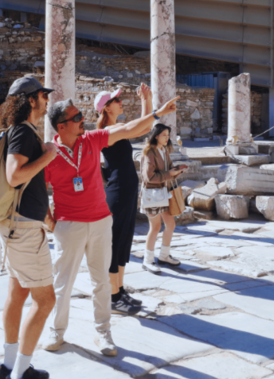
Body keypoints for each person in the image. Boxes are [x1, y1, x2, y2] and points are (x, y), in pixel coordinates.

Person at [43, 95, 178, 356]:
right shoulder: (50, 153)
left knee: (102, 282)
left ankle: (103, 332)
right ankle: (56, 331)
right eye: (76, 117)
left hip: (100, 222)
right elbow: (37, 190)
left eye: (82, 115)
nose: (83, 119)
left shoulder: (91, 139)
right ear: (61, 126)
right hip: (69, 225)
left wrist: (156, 114)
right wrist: (52, 224)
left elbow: (129, 129)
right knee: (63, 283)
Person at [0, 76, 57, 379]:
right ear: (31, 100)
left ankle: (9, 367)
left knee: (17, 294)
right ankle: (20, 373)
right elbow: (15, 176)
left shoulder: (21, 131)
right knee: (46, 301)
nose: (47, 100)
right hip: (24, 231)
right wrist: (48, 156)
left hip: (17, 225)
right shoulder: (22, 132)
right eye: (43, 95)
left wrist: (46, 215)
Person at [95, 83, 157, 313]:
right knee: (114, 243)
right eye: (116, 100)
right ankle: (112, 297)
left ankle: (119, 291)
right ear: (106, 108)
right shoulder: (109, 131)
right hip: (118, 192)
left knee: (123, 242)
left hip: (127, 191)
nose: (120, 102)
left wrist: (146, 100)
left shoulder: (117, 128)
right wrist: (146, 102)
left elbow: (143, 128)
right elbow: (141, 127)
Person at [140, 124, 185, 274]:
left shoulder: (164, 150)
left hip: (164, 193)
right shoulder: (149, 152)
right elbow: (149, 177)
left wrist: (178, 170)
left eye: (168, 135)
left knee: (170, 224)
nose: (167, 138)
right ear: (156, 135)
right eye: (164, 135)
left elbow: (169, 169)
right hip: (152, 194)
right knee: (155, 227)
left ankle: (164, 256)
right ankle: (148, 260)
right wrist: (169, 174)